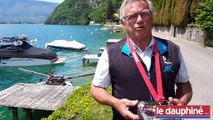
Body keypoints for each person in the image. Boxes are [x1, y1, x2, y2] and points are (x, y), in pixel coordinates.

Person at [90, 0, 193, 119]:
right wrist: (116, 103)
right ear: (123, 22)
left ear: (152, 17)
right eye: (132, 16)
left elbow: (184, 84)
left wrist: (182, 102)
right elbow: (96, 89)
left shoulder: (172, 49)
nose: (139, 20)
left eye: (144, 14)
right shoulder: (110, 53)